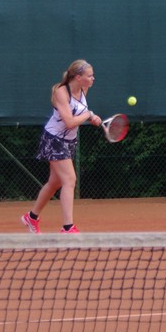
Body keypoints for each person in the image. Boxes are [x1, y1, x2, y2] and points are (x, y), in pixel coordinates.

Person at [21, 60, 101, 234]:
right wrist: (88, 114)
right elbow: (70, 122)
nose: (93, 78)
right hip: (54, 139)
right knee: (69, 180)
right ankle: (67, 227)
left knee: (54, 183)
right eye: (89, 75)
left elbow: (80, 112)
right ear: (78, 77)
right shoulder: (61, 92)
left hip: (69, 141)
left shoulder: (84, 89)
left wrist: (91, 117)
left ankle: (31, 217)